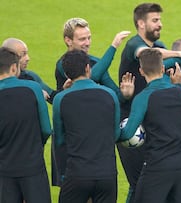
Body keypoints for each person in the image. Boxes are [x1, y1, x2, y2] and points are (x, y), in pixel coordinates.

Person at [117, 3, 181, 202]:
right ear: (140, 23)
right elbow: (148, 56)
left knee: (155, 185)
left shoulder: (161, 48)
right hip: (133, 124)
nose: (160, 25)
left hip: (155, 126)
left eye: (160, 20)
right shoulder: (134, 44)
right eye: (155, 20)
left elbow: (173, 66)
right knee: (139, 183)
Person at [52, 17, 130, 187]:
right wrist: (113, 46)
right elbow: (89, 77)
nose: (87, 43)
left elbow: (115, 94)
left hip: (96, 136)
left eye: (89, 38)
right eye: (82, 39)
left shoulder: (95, 62)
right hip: (73, 139)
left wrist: (126, 94)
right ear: (68, 40)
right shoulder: (64, 64)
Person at [118, 48, 181, 203]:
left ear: (141, 71)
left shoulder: (143, 97)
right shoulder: (178, 92)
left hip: (157, 165)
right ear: (163, 68)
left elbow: (127, 133)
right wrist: (178, 86)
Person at [0, 47, 52, 202]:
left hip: (4, 169)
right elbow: (46, 129)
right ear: (14, 67)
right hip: (33, 166)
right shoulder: (33, 88)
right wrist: (35, 146)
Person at [2, 38, 56, 102]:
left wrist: (66, 91)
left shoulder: (30, 76)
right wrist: (36, 95)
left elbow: (52, 97)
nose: (28, 58)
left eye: (27, 53)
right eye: (23, 54)